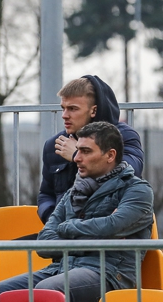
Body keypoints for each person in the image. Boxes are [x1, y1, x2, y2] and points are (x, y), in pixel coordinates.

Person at [0, 122, 154, 302]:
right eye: (78, 150)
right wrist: (98, 236)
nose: (77, 158)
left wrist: (67, 228)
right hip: (61, 268)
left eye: (86, 151)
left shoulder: (137, 190)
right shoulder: (74, 191)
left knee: (47, 291)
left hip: (108, 274)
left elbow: (112, 225)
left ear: (110, 155)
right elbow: (45, 242)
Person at [38, 75, 144, 223]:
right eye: (63, 108)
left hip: (111, 229)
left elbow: (129, 173)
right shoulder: (55, 145)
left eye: (73, 109)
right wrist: (54, 219)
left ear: (93, 111)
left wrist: (77, 154)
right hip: (64, 229)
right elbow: (45, 195)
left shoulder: (124, 136)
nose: (64, 115)